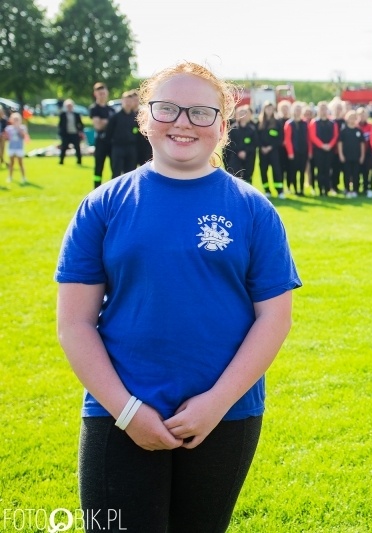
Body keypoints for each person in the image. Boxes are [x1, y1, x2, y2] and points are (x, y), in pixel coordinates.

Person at [54, 61, 301, 532]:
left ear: (222, 127)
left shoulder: (253, 209)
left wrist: (216, 403)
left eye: (201, 112)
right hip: (117, 412)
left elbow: (274, 318)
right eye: (167, 108)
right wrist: (127, 410)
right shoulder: (104, 205)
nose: (183, 122)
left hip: (224, 414)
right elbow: (74, 323)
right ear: (144, 118)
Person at [105, 90, 140, 178]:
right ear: (122, 101)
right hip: (118, 148)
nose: (128, 103)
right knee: (116, 172)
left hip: (131, 148)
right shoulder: (115, 117)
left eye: (130, 101)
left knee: (130, 173)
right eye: (126, 101)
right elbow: (108, 133)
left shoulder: (135, 117)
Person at [309, 101, 339, 196]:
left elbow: (335, 136)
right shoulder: (314, 122)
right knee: (320, 170)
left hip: (330, 150)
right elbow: (313, 136)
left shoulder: (332, 123)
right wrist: (322, 145)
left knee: (328, 170)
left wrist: (330, 145)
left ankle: (327, 189)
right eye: (321, 109)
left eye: (325, 109)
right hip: (318, 150)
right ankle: (320, 189)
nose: (323, 111)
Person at [89, 82, 115, 188]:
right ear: (95, 94)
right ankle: (96, 188)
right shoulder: (94, 109)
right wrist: (109, 122)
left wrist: (104, 121)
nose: (102, 96)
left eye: (104, 93)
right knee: (99, 167)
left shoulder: (111, 109)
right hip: (100, 142)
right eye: (100, 94)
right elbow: (98, 126)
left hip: (112, 142)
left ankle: (114, 189)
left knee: (115, 167)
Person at [256, 102, 284, 197]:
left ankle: (279, 191)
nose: (269, 111)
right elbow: (256, 137)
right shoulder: (259, 123)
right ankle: (267, 190)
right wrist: (262, 147)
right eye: (267, 108)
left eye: (271, 109)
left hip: (274, 151)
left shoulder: (277, 122)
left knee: (276, 170)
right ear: (264, 110)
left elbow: (280, 138)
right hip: (262, 151)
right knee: (263, 170)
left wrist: (271, 147)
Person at [283, 102, 309, 196]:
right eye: (296, 109)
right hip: (294, 152)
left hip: (303, 151)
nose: (298, 111)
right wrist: (290, 152)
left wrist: (308, 151)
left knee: (302, 171)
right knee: (293, 171)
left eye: (299, 110)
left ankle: (301, 189)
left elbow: (307, 138)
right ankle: (294, 189)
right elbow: (287, 139)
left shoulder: (305, 123)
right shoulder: (289, 123)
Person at [226, 105, 258, 183]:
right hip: (235, 155)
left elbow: (254, 143)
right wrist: (239, 152)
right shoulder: (233, 129)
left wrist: (245, 151)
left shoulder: (252, 129)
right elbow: (230, 143)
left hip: (249, 156)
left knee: (248, 175)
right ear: (237, 115)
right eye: (240, 113)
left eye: (245, 113)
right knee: (233, 174)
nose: (243, 115)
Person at [338, 110, 365, 199]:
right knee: (347, 173)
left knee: (356, 174)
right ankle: (347, 189)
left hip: (356, 156)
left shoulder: (359, 131)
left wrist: (362, 156)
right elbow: (340, 143)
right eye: (350, 118)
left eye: (354, 118)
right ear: (347, 119)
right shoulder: (344, 131)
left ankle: (355, 190)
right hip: (346, 156)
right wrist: (341, 154)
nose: (352, 120)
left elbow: (362, 144)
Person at [4, 112, 29, 184]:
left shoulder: (22, 127)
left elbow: (23, 136)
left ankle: (23, 177)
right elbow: (6, 138)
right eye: (14, 119)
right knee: (11, 163)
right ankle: (10, 177)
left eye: (17, 119)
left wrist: (18, 128)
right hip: (11, 147)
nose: (16, 121)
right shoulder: (8, 128)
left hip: (19, 148)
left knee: (20, 163)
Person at [58, 99, 85, 165]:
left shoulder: (76, 114)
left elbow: (81, 124)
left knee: (77, 148)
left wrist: (80, 131)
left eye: (70, 106)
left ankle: (79, 161)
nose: (69, 107)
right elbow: (60, 125)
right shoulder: (63, 115)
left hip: (75, 133)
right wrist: (61, 133)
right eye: (68, 106)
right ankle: (61, 161)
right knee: (64, 148)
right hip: (66, 134)